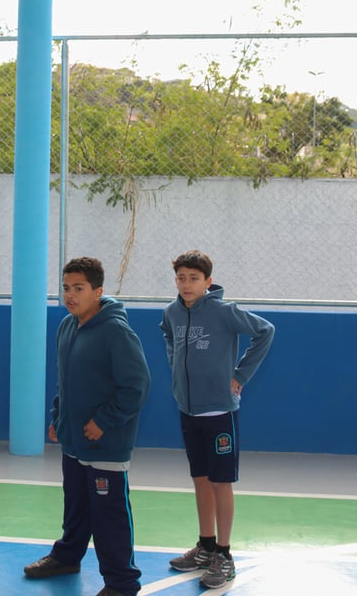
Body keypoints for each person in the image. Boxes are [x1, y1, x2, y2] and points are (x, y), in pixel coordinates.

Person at [23, 257, 150, 596]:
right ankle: (67, 557)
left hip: (106, 443)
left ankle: (122, 583)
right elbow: (65, 381)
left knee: (109, 517)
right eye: (66, 288)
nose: (70, 295)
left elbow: (136, 387)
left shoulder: (116, 332)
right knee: (76, 504)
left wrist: (102, 422)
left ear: (98, 291)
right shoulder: (67, 326)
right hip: (74, 440)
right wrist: (57, 417)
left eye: (78, 288)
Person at [161, 250, 274, 591]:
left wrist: (240, 373)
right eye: (181, 277)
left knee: (221, 482)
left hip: (219, 413)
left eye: (194, 278)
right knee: (200, 478)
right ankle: (205, 545)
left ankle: (224, 554)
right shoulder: (172, 313)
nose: (186, 284)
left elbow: (265, 331)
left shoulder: (225, 312)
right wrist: (175, 367)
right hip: (188, 410)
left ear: (207, 282)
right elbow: (167, 334)